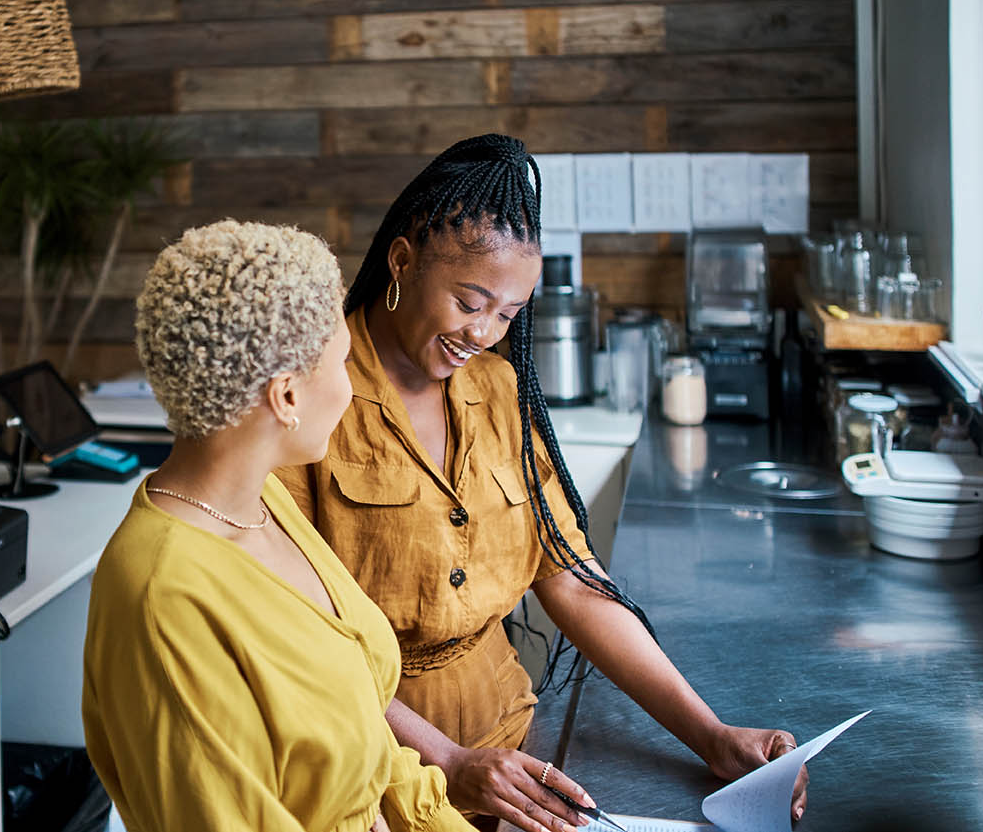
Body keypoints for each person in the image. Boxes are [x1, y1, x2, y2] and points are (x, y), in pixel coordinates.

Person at [275, 135, 808, 831]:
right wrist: (448, 758)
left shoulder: (498, 390)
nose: (486, 333)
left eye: (508, 313)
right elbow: (295, 637)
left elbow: (572, 578)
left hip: (509, 753)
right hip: (371, 770)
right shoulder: (311, 397)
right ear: (402, 261)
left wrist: (711, 734)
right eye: (471, 301)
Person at [83, 221, 539, 832]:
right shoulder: (162, 596)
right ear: (287, 396)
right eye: (344, 362)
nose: (353, 390)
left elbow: (371, 755)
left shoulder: (265, 499)